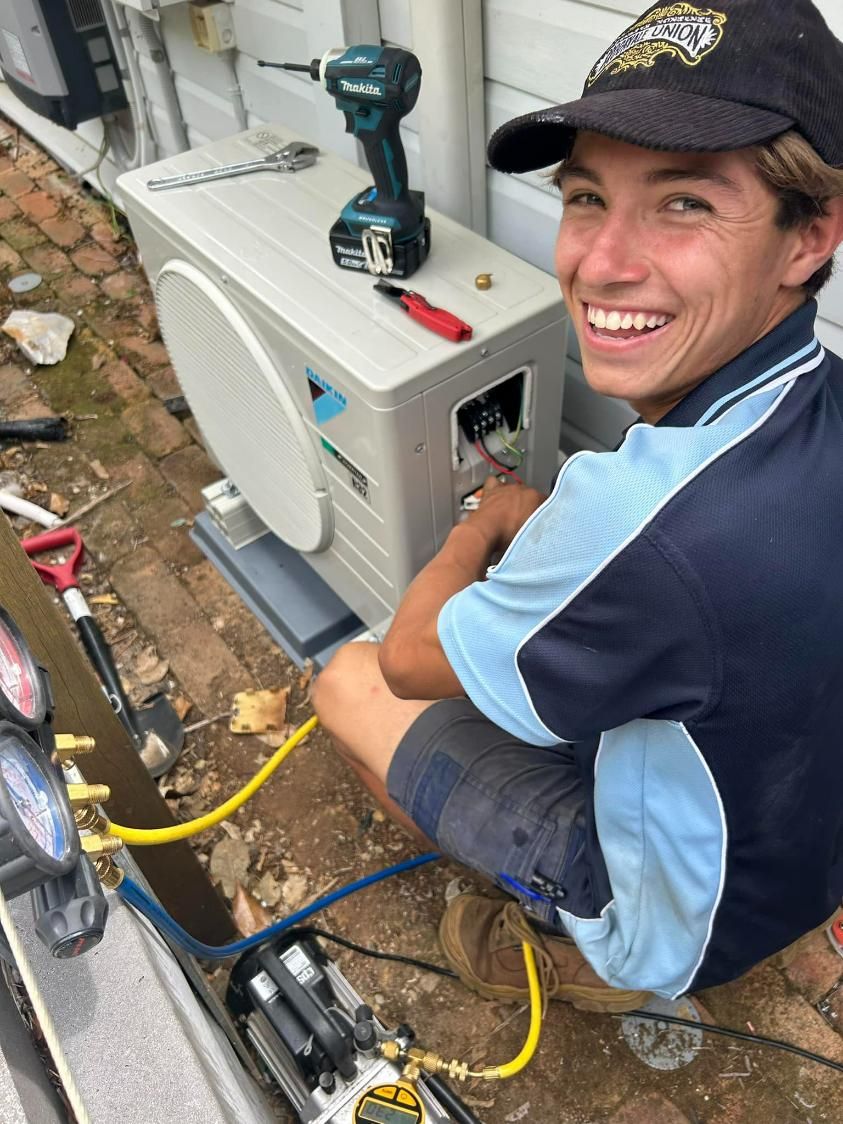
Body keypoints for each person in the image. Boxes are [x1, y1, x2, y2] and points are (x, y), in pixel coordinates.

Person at [312, 0, 843, 1010]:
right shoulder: (823, 394)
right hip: (800, 846)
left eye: (684, 202)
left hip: (683, 925)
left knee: (342, 680)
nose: (599, 262)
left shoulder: (642, 521)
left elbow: (405, 660)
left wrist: (486, 522)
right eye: (587, 196)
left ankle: (575, 953)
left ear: (809, 232)